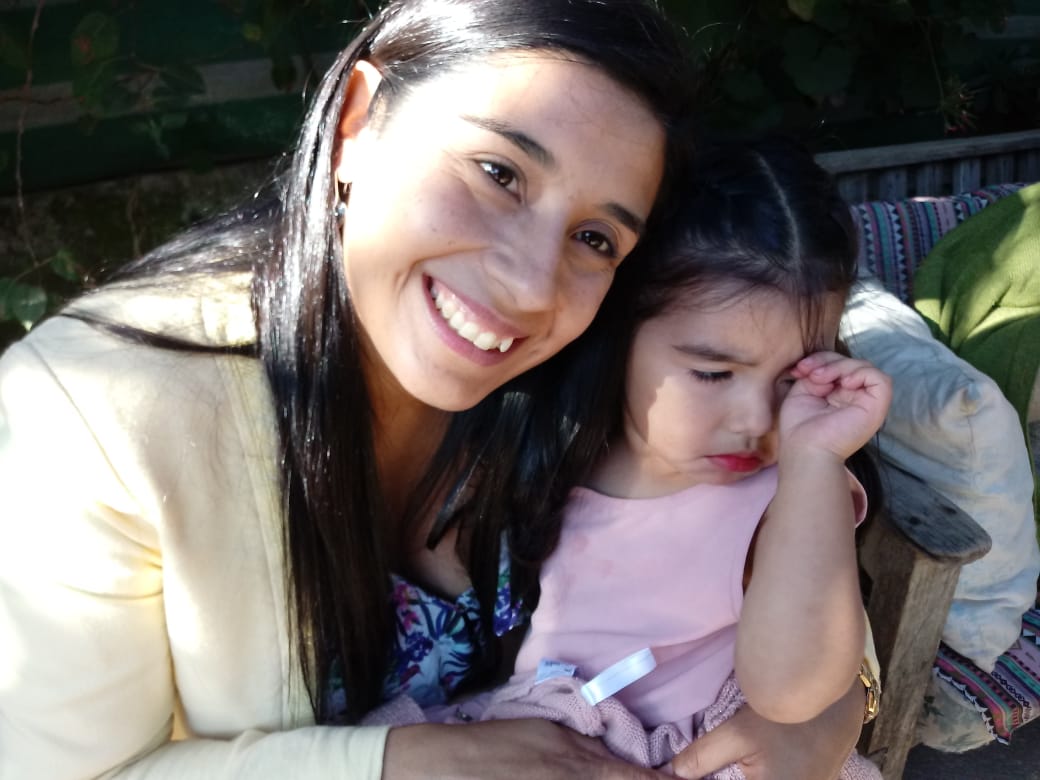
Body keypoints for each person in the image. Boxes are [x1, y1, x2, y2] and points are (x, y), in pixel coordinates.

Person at [0, 0, 868, 776]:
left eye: (596, 237)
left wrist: (822, 716)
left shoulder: (597, 354)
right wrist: (408, 763)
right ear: (357, 121)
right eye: (499, 173)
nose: (531, 285)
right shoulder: (92, 417)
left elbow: (764, 550)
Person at [363, 137, 889, 779]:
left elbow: (795, 694)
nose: (757, 419)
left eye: (792, 378)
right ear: (619, 331)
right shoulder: (555, 444)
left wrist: (815, 465)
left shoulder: (786, 499)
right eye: (713, 373)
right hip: (537, 735)